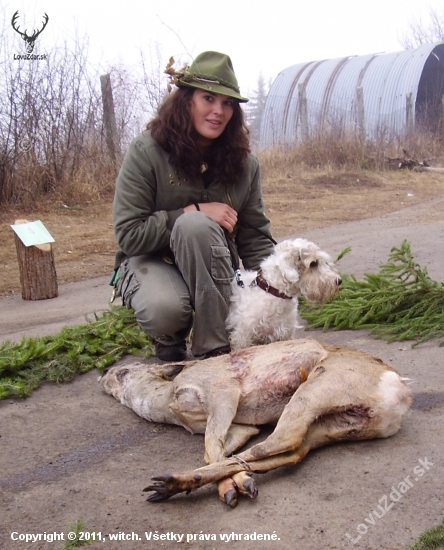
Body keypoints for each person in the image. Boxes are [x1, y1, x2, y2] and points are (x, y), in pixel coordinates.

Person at [112, 51, 274, 361]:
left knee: (198, 231)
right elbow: (130, 235)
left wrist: (272, 289)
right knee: (167, 308)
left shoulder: (245, 165)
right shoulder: (146, 152)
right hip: (153, 260)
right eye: (208, 99)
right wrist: (193, 211)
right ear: (186, 100)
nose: (218, 111)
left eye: (228, 103)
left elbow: (255, 236)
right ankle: (185, 342)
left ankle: (212, 342)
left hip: (215, 264)